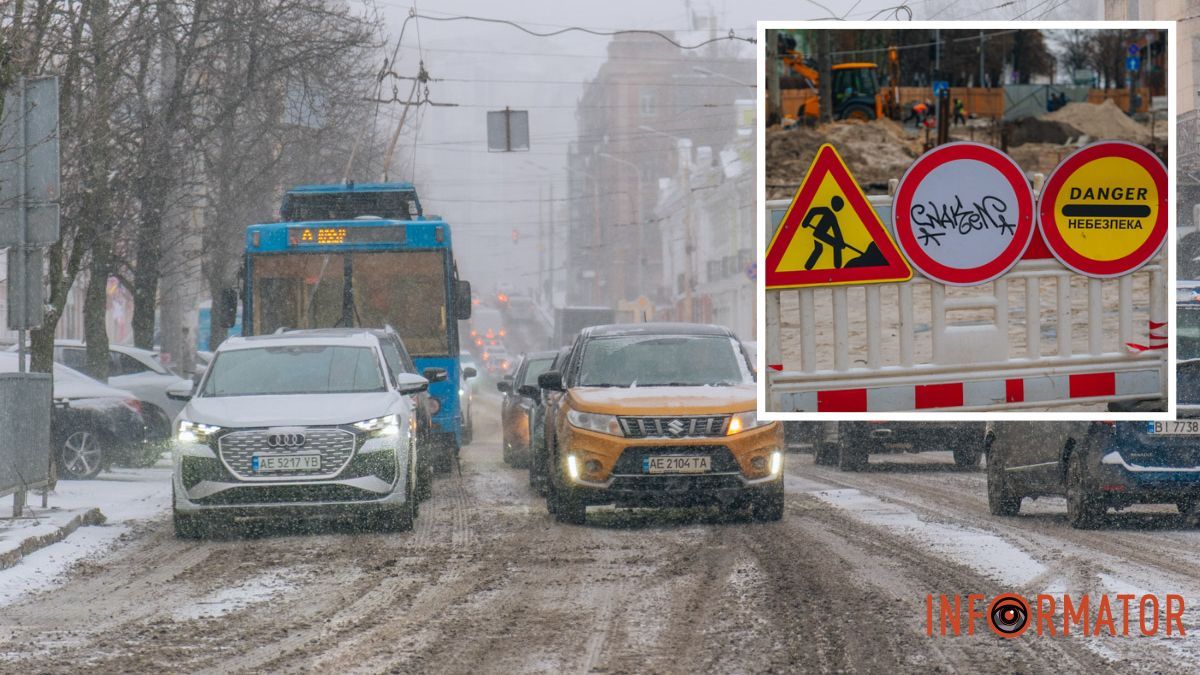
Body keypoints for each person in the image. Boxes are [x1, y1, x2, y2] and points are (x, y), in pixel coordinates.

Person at [801, 196, 858, 270]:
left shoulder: (832, 216)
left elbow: (836, 231)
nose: (839, 208)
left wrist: (841, 242)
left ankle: (836, 266)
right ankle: (837, 266)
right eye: (838, 205)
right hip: (819, 233)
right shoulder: (827, 211)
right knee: (823, 248)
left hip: (821, 234)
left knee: (822, 248)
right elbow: (813, 211)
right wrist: (806, 222)